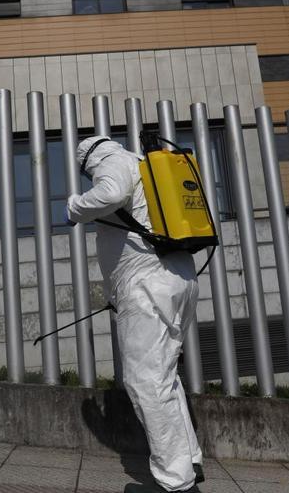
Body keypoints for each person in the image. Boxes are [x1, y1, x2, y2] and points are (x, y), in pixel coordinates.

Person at [66, 136, 204, 493]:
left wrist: (75, 207)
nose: (89, 177)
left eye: (86, 172)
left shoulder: (113, 163)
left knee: (144, 382)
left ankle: (175, 483)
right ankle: (189, 460)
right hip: (178, 278)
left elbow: (110, 194)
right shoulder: (145, 165)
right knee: (165, 377)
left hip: (146, 285)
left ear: (88, 161)